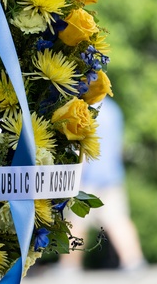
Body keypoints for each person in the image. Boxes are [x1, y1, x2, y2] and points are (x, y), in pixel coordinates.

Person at [59, 97, 145, 273]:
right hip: (112, 175)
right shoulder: (113, 110)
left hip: (88, 176)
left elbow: (78, 146)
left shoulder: (81, 110)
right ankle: (134, 262)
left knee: (75, 222)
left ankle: (69, 267)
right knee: (119, 220)